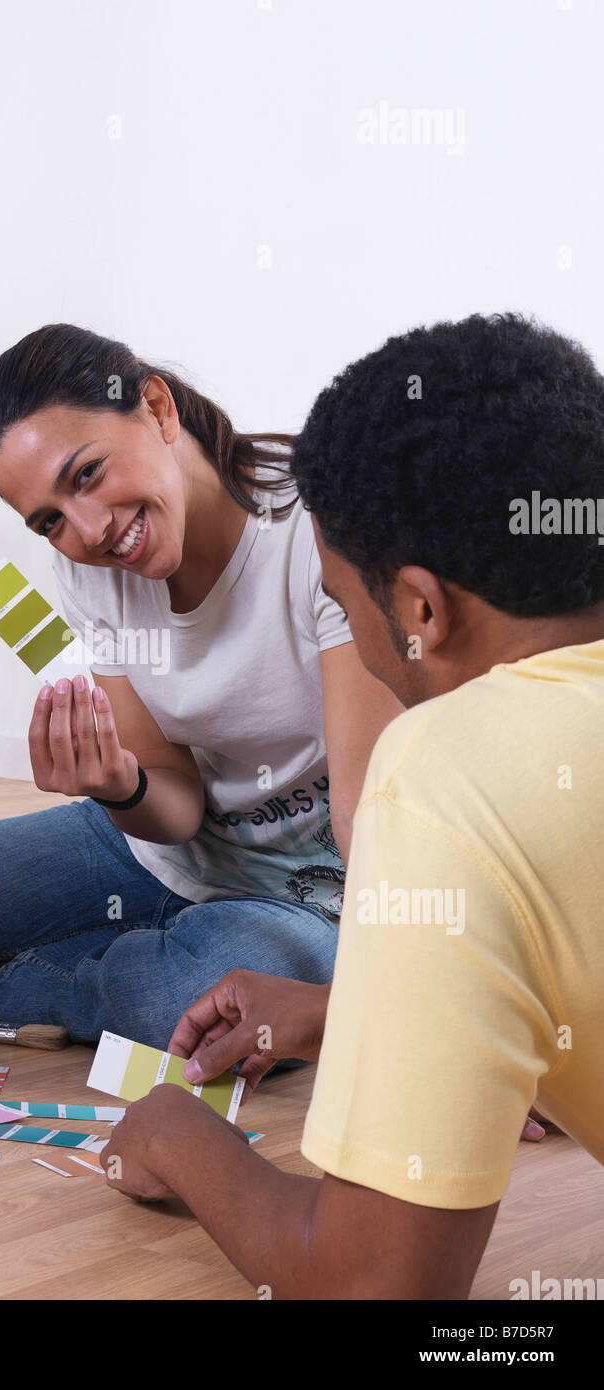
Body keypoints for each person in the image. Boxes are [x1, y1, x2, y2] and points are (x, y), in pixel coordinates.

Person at [99, 312, 604, 1298]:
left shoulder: (447, 769)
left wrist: (180, 1139)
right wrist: (349, 1012)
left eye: (343, 601)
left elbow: (371, 1286)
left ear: (419, 608)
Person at [0, 325, 401, 1047]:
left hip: (314, 891)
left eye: (87, 474)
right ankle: (124, 950)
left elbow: (367, 817)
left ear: (157, 408)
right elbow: (177, 805)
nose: (92, 531)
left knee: (187, 1001)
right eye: (50, 522)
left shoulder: (321, 524)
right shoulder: (89, 569)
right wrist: (120, 785)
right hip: (165, 854)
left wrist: (428, 1013)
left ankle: (33, 976)